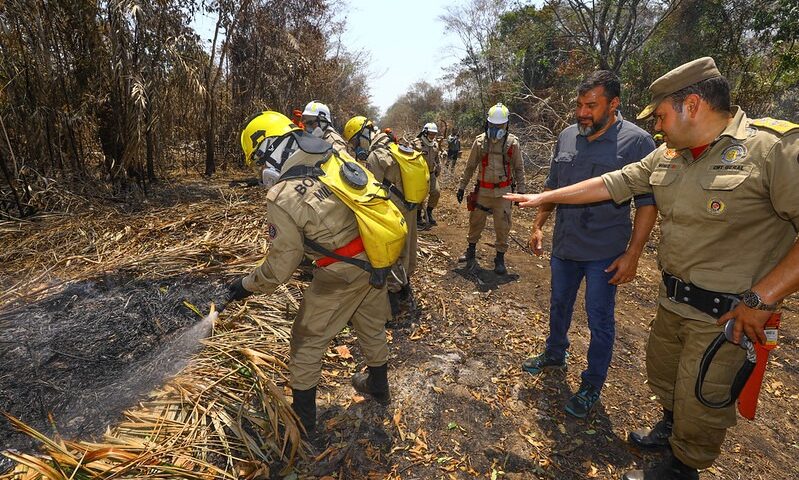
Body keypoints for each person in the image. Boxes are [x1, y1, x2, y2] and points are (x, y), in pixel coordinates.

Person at [505, 57, 799, 480]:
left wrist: (763, 297)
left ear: (691, 105)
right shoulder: (670, 154)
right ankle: (669, 429)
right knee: (666, 377)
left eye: (661, 115)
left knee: (703, 396)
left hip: (729, 312)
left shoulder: (773, 150)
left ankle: (682, 468)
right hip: (674, 299)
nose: (657, 126)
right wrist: (541, 199)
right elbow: (613, 183)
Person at [226, 111, 394, 435]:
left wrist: (245, 285)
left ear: (271, 147)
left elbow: (280, 267)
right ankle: (380, 387)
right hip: (375, 255)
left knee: (305, 342)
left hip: (341, 274)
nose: (263, 167)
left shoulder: (281, 195)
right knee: (370, 324)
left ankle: (303, 426)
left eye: (261, 157)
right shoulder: (333, 153)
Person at [522, 71, 658, 419]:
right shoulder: (567, 136)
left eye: (591, 105)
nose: (582, 112)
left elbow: (647, 203)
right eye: (580, 105)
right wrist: (539, 227)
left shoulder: (638, 142)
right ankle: (555, 352)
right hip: (565, 246)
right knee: (558, 304)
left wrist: (633, 254)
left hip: (604, 253)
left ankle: (592, 384)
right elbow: (553, 187)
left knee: (599, 320)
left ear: (614, 104)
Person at [343, 115, 424, 319]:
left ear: (363, 134)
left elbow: (371, 191)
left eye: (355, 141)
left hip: (395, 210)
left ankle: (394, 304)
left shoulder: (375, 157)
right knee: (408, 248)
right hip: (412, 205)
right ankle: (406, 289)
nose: (355, 147)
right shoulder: (395, 146)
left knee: (393, 251)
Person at [456, 103, 526, 275]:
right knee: (475, 221)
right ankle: (471, 250)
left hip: (504, 192)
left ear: (506, 125)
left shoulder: (512, 143)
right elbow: (470, 166)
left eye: (499, 126)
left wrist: (521, 193)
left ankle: (499, 258)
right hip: (483, 191)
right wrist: (461, 186)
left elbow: (519, 168)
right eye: (492, 126)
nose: (495, 129)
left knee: (503, 226)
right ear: (488, 124)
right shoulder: (480, 142)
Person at [413, 122, 441, 228]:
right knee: (420, 195)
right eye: (430, 133)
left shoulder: (435, 144)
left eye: (434, 134)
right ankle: (418, 216)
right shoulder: (416, 143)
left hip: (431, 173)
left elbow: (437, 158)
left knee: (436, 192)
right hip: (419, 175)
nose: (432, 136)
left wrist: (439, 167)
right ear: (425, 133)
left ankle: (428, 212)